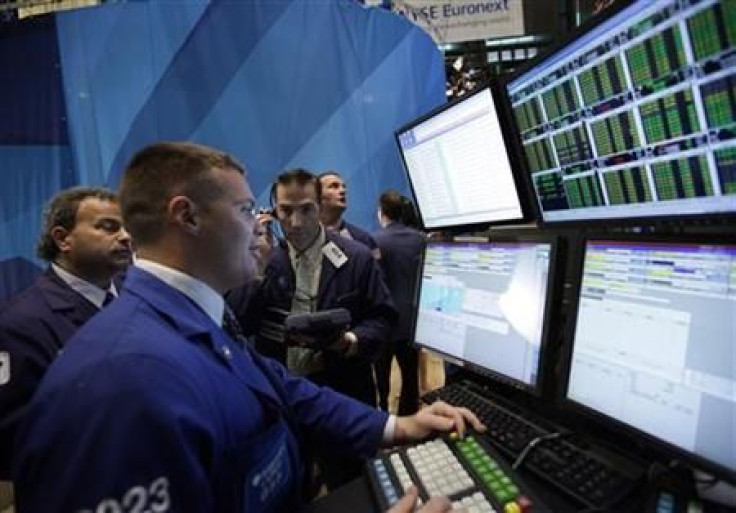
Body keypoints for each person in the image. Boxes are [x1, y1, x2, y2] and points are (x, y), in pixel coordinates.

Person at [12, 142, 484, 513]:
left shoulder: (184, 317)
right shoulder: (127, 380)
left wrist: (395, 425)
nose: (263, 228)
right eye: (245, 212)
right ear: (187, 216)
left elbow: (276, 385)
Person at [0, 186, 132, 479]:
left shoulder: (141, 297)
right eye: (108, 227)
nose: (125, 237)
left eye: (127, 227)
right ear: (62, 239)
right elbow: (11, 436)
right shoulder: (17, 323)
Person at [373, 190, 425, 416]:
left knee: (381, 376)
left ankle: (383, 414)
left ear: (382, 212)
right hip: (412, 323)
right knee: (410, 376)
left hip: (382, 323)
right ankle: (409, 417)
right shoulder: (422, 240)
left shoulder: (374, 241)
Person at [319, 171, 380, 258]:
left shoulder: (364, 239)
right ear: (317, 195)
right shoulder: (305, 238)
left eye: (343, 187)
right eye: (334, 186)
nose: (343, 191)